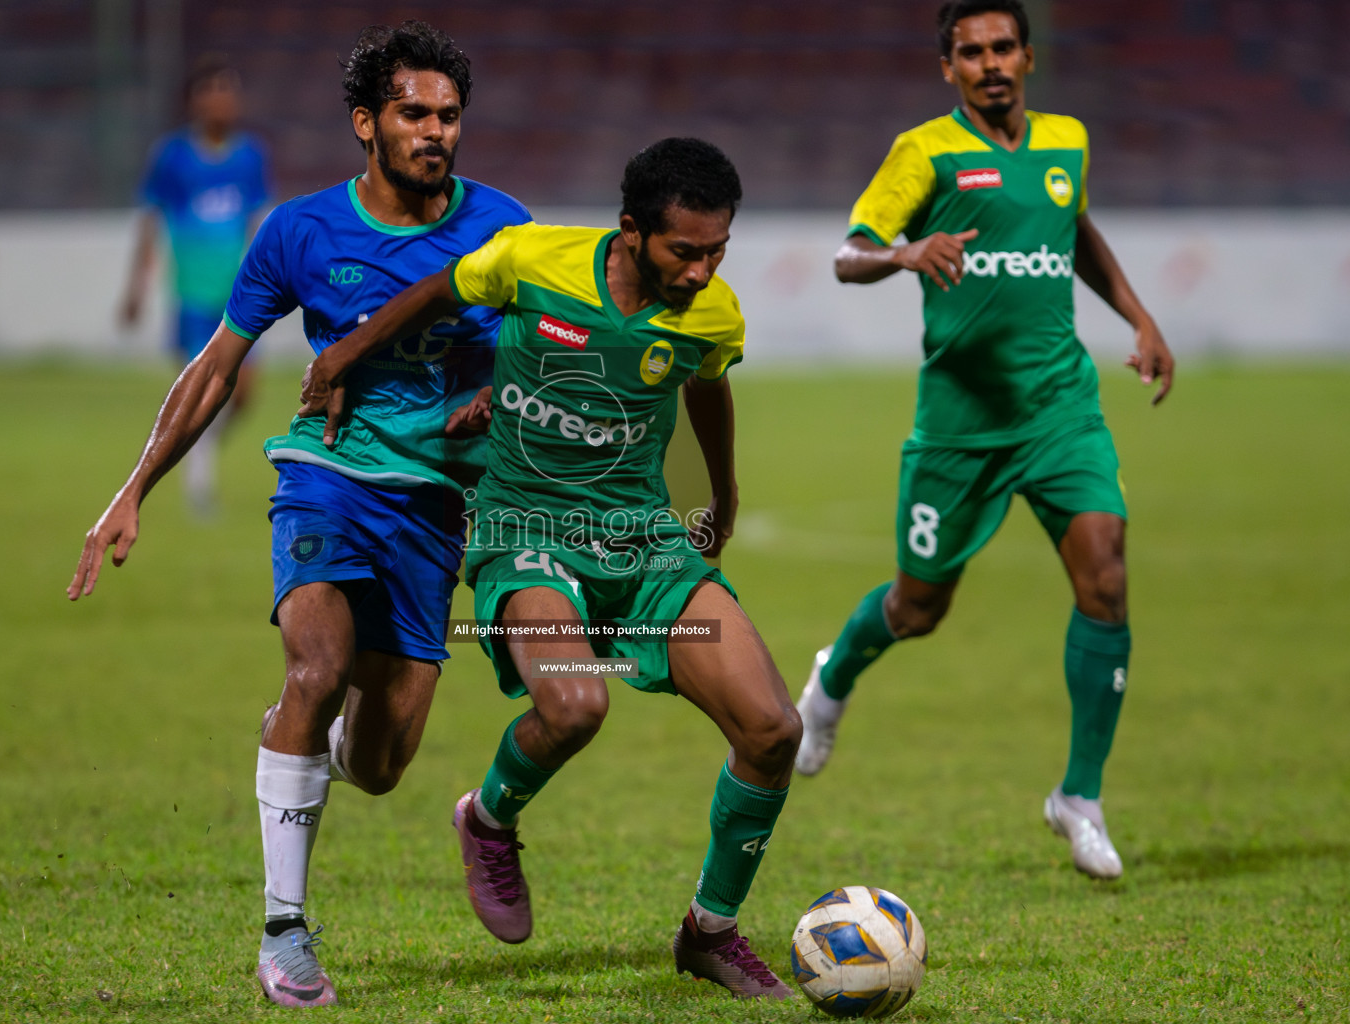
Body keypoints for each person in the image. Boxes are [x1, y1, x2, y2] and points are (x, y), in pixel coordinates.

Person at [68, 21, 530, 1007]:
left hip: (436, 507)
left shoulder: (504, 228)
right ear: (367, 122)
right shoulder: (300, 231)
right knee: (313, 665)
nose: (435, 131)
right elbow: (214, 371)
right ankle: (285, 930)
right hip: (326, 476)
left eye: (448, 116)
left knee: (383, 759)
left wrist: (509, 393)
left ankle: (309, 743)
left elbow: (552, 347)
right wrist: (132, 487)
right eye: (413, 113)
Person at [300, 137, 801, 1000]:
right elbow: (436, 291)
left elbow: (708, 384)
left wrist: (721, 493)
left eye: (718, 250)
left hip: (644, 540)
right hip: (526, 529)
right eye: (685, 251)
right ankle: (488, 819)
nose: (702, 271)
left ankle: (709, 932)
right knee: (573, 704)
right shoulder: (535, 260)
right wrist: (345, 355)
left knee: (773, 730)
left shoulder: (714, 313)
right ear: (632, 230)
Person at [793, 0, 1175, 881]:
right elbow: (849, 253)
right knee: (918, 608)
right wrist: (903, 252)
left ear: (1029, 57)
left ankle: (1079, 794)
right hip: (961, 427)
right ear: (949, 69)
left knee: (1106, 570)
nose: (990, 63)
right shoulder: (923, 151)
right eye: (971, 52)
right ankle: (832, 679)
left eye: (1004, 47)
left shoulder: (1067, 141)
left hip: (1058, 408)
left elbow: (1073, 227)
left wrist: (1141, 315)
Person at [120, 54, 272, 516]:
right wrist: (137, 287)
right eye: (212, 90)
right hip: (192, 296)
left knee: (243, 392)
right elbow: (150, 220)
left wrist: (268, 283)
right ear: (194, 100)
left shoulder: (250, 156)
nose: (221, 100)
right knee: (203, 387)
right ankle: (198, 484)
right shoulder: (173, 157)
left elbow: (256, 223)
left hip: (238, 296)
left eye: (228, 90)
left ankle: (199, 449)